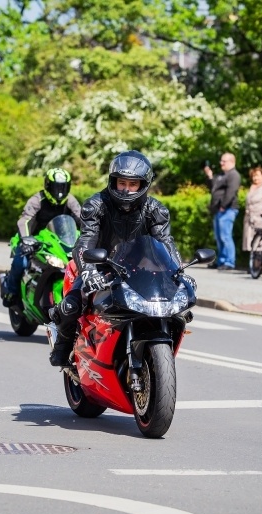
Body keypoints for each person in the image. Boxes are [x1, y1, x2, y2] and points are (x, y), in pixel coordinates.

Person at [47, 150, 193, 366]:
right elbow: (84, 242)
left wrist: (178, 273)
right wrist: (88, 272)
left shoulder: (155, 210)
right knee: (71, 305)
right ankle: (63, 346)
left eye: (133, 184)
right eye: (122, 182)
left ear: (143, 184)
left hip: (139, 271)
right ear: (113, 180)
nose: (126, 189)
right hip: (100, 266)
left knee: (176, 309)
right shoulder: (95, 205)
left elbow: (165, 243)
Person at [1, 168, 82, 307]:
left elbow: (82, 219)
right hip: (34, 239)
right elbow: (25, 220)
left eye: (63, 187)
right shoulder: (37, 200)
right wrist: (26, 239)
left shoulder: (70, 200)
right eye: (56, 187)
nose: (59, 192)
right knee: (21, 262)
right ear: (48, 186)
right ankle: (11, 292)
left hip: (58, 240)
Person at [204, 153, 240, 270]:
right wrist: (210, 176)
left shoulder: (234, 175)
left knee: (225, 236)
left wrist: (223, 206)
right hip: (219, 210)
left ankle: (229, 262)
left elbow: (231, 192)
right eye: (221, 161)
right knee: (219, 237)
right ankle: (221, 260)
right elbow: (212, 188)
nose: (221, 163)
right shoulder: (221, 175)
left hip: (228, 209)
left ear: (231, 162)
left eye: (224, 161)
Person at [241, 166, 262, 274]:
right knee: (252, 242)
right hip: (250, 218)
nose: (255, 178)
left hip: (261, 218)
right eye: (254, 176)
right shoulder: (252, 187)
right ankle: (254, 264)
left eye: (258, 175)